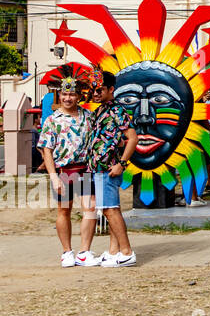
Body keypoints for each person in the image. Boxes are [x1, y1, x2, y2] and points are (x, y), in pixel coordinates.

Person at [37, 76, 97, 267]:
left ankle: (84, 251)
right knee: (64, 211)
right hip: (63, 170)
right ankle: (66, 252)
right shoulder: (52, 120)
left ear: (78, 96)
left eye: (72, 94)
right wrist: (53, 176)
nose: (68, 98)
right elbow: (46, 149)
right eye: (64, 94)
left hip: (85, 169)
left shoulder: (88, 116)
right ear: (59, 95)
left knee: (90, 209)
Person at [86, 70, 140, 268]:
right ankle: (113, 251)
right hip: (98, 168)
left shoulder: (117, 111)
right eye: (93, 90)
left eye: (100, 89)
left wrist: (122, 163)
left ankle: (126, 251)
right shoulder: (100, 110)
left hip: (109, 167)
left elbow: (133, 138)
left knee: (110, 210)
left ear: (111, 89)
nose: (96, 93)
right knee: (109, 209)